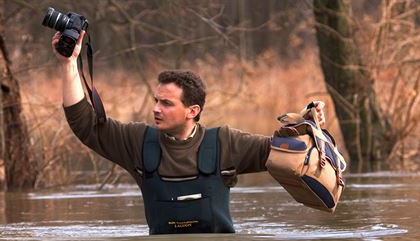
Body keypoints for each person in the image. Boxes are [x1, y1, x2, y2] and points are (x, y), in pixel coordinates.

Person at [52, 30, 326, 234]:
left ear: (192, 111)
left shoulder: (225, 142)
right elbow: (84, 124)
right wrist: (69, 64)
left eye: (167, 103)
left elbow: (286, 149)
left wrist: (309, 122)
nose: (156, 108)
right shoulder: (136, 142)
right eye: (156, 101)